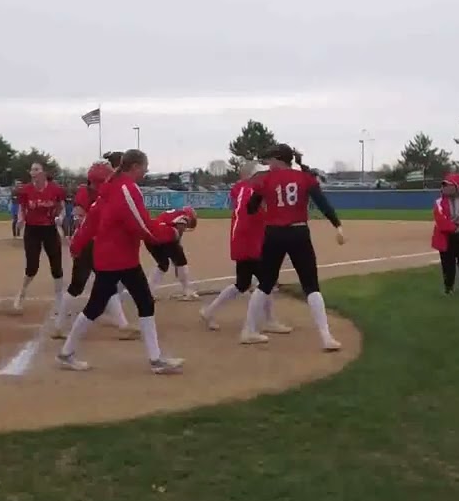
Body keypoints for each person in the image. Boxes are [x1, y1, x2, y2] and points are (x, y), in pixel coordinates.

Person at [56, 149, 188, 374]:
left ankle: (155, 359)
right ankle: (66, 353)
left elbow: (91, 221)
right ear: (135, 167)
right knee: (97, 307)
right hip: (117, 260)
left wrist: (77, 245)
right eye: (144, 167)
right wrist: (171, 233)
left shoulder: (110, 189)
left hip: (119, 259)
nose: (146, 171)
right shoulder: (126, 189)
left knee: (143, 302)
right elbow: (143, 226)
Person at [244, 143, 346, 352]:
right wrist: (337, 225)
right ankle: (326, 337)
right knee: (311, 285)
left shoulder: (266, 179)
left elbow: (251, 208)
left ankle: (249, 330)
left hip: (273, 234)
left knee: (265, 283)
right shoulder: (304, 178)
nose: (269, 163)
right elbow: (322, 203)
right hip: (298, 233)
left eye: (271, 160)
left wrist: (266, 202)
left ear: (279, 159)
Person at [199, 161, 291, 342]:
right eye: (262, 174)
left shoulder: (246, 190)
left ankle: (209, 311)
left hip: (247, 242)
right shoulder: (248, 191)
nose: (265, 177)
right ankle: (263, 323)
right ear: (253, 177)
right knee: (265, 281)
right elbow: (246, 215)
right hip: (249, 243)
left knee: (243, 283)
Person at [55, 154, 136, 339]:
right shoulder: (85, 193)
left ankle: (123, 325)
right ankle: (59, 326)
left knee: (107, 283)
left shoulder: (105, 193)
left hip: (99, 244)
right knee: (77, 286)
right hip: (87, 245)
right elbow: (80, 219)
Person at [12, 162, 67, 314]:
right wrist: (20, 219)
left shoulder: (56, 190)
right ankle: (21, 294)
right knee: (32, 267)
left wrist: (60, 218)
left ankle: (59, 298)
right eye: (32, 170)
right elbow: (22, 208)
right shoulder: (26, 190)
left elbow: (62, 208)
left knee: (56, 265)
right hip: (32, 230)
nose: (34, 172)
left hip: (49, 229)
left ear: (43, 173)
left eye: (37, 169)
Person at [146, 206, 201, 301]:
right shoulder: (183, 217)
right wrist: (177, 261)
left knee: (163, 264)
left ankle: (148, 293)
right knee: (181, 262)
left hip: (150, 238)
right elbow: (177, 237)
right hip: (165, 234)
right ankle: (188, 291)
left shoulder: (171, 214)